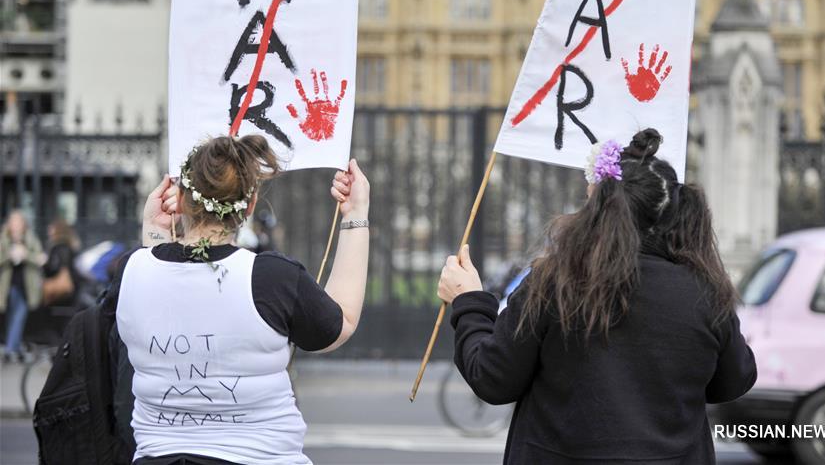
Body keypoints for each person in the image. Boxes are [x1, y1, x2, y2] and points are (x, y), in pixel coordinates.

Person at [439, 129, 757, 464]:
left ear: (598, 210)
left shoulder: (556, 280)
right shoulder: (703, 290)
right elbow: (735, 380)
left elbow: (493, 378)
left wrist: (469, 302)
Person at [113, 135, 369, 464]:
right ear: (249, 206)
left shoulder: (131, 271)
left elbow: (159, 284)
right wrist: (355, 216)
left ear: (181, 198)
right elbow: (340, 323)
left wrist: (154, 231)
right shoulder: (272, 278)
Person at [0, 210, 45, 362]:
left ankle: (11, 348)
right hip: (8, 285)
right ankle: (14, 347)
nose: (16, 225)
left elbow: (39, 258)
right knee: (14, 316)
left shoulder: (31, 239)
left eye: (19, 222)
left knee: (19, 315)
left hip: (28, 285)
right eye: (14, 222)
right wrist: (9, 256)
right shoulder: (4, 239)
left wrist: (26, 255)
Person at [42, 219, 81, 307]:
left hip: (60, 287)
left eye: (51, 229)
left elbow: (54, 267)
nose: (49, 231)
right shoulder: (71, 246)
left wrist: (44, 263)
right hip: (72, 287)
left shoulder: (57, 247)